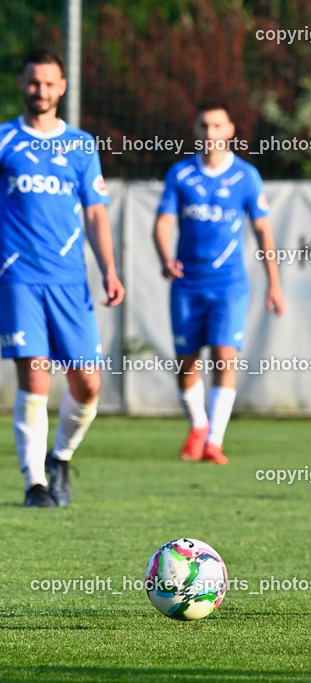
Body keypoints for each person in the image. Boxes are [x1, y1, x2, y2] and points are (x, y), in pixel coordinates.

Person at [0, 49, 125, 507]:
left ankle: (61, 458)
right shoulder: (4, 140)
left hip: (70, 281)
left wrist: (109, 269)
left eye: (50, 83)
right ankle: (34, 483)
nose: (42, 91)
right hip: (18, 279)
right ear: (22, 84)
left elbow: (95, 212)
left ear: (63, 87)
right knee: (34, 378)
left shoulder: (80, 146)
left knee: (88, 384)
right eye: (34, 83)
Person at [152, 102, 285, 465]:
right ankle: (198, 426)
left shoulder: (246, 176)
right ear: (195, 130)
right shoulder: (180, 174)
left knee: (224, 357)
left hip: (229, 284)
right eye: (203, 126)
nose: (210, 133)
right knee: (187, 364)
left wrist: (274, 283)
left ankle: (214, 441)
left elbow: (262, 230)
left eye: (217, 126)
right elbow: (163, 222)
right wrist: (166, 257)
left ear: (230, 130)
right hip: (187, 284)